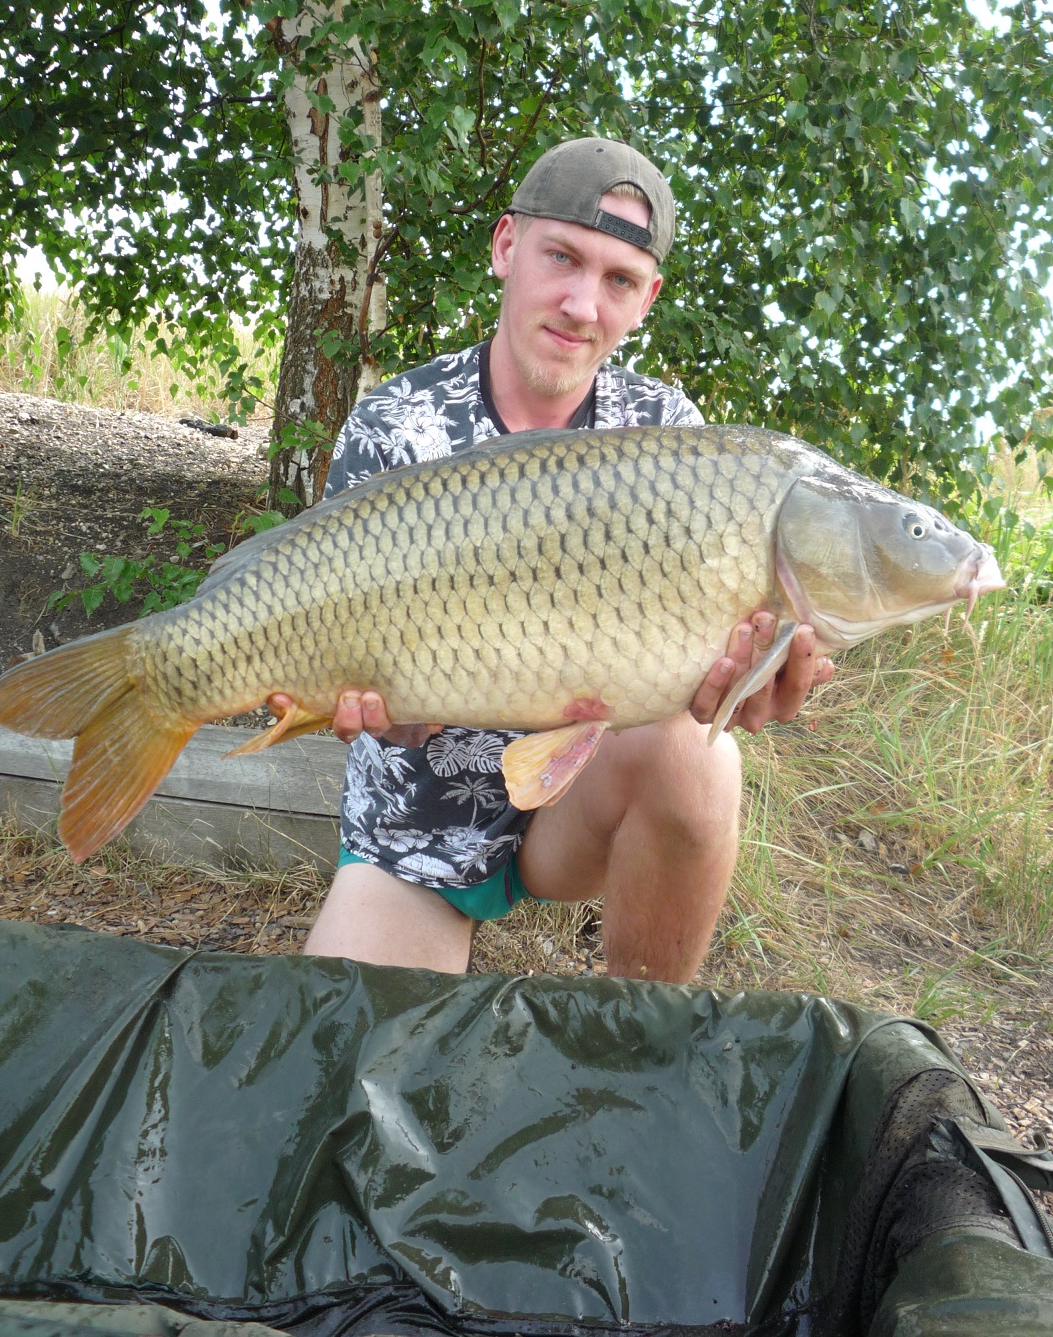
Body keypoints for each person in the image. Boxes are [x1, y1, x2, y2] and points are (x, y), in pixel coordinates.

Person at [293, 137, 833, 981]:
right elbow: (352, 667)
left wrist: (743, 677)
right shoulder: (398, 427)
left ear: (646, 298)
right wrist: (379, 698)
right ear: (507, 246)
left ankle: (637, 1041)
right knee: (338, 1079)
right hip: (417, 827)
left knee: (698, 757)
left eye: (618, 280)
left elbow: (707, 661)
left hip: (570, 815)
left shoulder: (666, 436)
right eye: (562, 258)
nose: (583, 303)